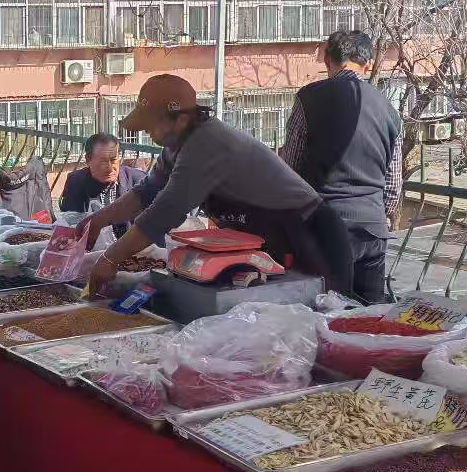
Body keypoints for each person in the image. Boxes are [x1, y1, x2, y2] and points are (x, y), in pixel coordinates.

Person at [76, 74, 354, 298]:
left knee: (321, 317)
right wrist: (98, 220)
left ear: (181, 119)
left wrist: (110, 259)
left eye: (151, 125)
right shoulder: (176, 145)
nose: (147, 132)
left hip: (308, 238)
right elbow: (145, 192)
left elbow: (165, 211)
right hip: (268, 242)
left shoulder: (206, 143)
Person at [281, 30, 403, 304]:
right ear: (368, 64)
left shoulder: (309, 98)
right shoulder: (389, 109)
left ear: (328, 60)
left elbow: (291, 166)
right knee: (370, 314)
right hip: (373, 229)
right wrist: (379, 213)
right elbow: (394, 185)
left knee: (325, 310)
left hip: (324, 226)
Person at [59, 132, 145, 239]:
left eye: (113, 160)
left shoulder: (139, 181)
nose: (110, 168)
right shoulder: (76, 181)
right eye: (103, 162)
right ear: (88, 160)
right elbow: (71, 225)